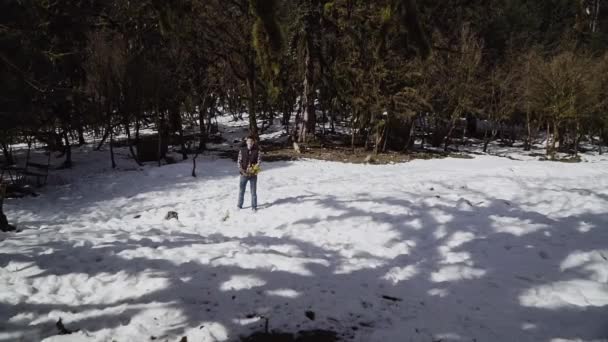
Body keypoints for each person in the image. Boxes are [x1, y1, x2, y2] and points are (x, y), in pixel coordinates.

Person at [237, 135, 261, 211]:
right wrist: (241, 170)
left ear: (253, 142)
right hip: (243, 174)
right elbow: (239, 161)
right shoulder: (242, 150)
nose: (250, 143)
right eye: (248, 141)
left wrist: (254, 169)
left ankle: (254, 207)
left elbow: (259, 161)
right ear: (246, 142)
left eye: (251, 142)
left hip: (253, 175)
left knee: (253, 191)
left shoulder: (257, 151)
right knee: (241, 191)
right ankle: (239, 205)